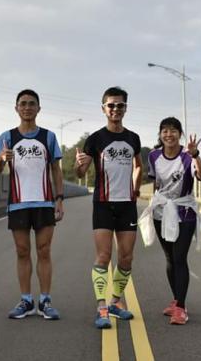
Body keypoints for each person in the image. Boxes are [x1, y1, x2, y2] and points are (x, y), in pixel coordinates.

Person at [0, 89, 65, 320]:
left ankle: (45, 301)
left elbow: (56, 169)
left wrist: (59, 199)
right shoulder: (7, 137)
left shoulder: (49, 137)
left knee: (44, 251)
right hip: (18, 204)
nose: (27, 107)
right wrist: (1, 158)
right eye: (23, 104)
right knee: (22, 252)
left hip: (44, 203)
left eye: (32, 103)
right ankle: (26, 300)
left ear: (38, 108)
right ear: (16, 108)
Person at [76, 86, 142, 329]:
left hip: (127, 206)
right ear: (103, 108)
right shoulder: (95, 139)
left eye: (120, 105)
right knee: (103, 256)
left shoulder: (133, 138)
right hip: (103, 204)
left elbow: (138, 165)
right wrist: (80, 164)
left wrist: (136, 188)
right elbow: (80, 172)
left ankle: (115, 302)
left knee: (126, 258)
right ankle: (101, 307)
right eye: (111, 105)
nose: (116, 109)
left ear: (126, 108)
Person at [146, 117, 201, 325]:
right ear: (160, 134)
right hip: (161, 212)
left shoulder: (188, 156)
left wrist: (196, 155)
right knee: (170, 258)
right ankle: (176, 300)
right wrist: (155, 203)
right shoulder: (153, 155)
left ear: (180, 134)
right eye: (164, 130)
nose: (169, 134)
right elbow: (156, 183)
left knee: (180, 257)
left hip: (184, 211)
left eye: (173, 130)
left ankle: (181, 308)